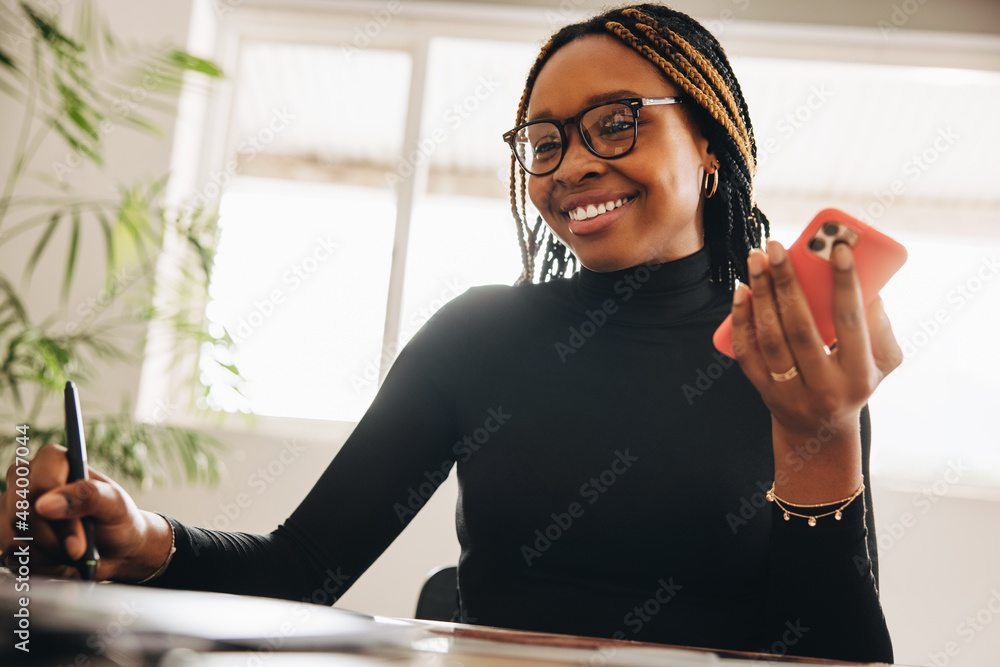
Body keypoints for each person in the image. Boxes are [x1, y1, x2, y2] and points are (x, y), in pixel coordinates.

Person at [1, 4, 902, 663]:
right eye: (543, 141)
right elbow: (304, 566)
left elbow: (842, 655)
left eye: (616, 123)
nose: (573, 163)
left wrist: (815, 440)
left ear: (709, 145)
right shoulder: (479, 336)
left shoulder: (791, 350)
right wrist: (144, 536)